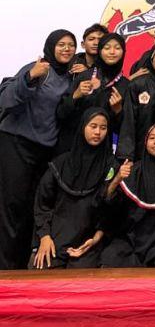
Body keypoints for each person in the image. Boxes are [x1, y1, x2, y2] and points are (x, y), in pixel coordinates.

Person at [0, 29, 77, 269]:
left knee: (32, 208)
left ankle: (22, 264)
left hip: (44, 149)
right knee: (12, 207)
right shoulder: (38, 68)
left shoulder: (71, 77)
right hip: (16, 143)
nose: (66, 49)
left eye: (71, 45)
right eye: (61, 44)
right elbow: (5, 99)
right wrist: (30, 76)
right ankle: (6, 268)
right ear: (50, 46)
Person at [30, 108, 117, 269]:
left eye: (103, 128)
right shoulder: (61, 164)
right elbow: (42, 204)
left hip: (89, 243)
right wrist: (44, 237)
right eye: (93, 126)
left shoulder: (110, 167)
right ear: (83, 127)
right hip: (53, 239)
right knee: (40, 272)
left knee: (84, 285)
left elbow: (110, 211)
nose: (97, 132)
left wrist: (97, 238)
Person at [99, 123, 155, 268]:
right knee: (109, 259)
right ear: (145, 142)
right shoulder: (133, 171)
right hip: (131, 238)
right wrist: (117, 180)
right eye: (152, 138)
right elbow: (109, 205)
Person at [56, 32, 129, 154]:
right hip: (71, 147)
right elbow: (61, 114)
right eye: (107, 48)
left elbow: (125, 130)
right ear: (100, 51)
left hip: (102, 152)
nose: (112, 52)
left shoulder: (126, 85)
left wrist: (118, 112)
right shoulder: (84, 76)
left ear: (123, 52)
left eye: (117, 48)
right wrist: (75, 96)